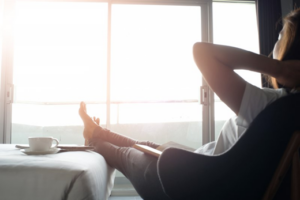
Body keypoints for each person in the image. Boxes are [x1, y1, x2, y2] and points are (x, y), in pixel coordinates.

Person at [79, 8, 300, 200]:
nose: (275, 44)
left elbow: (202, 52)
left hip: (190, 183)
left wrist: (279, 69)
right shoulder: (281, 108)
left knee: (127, 156)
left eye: (281, 36)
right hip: (201, 166)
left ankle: (95, 139)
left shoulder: (273, 106)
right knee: (147, 145)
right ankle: (99, 131)